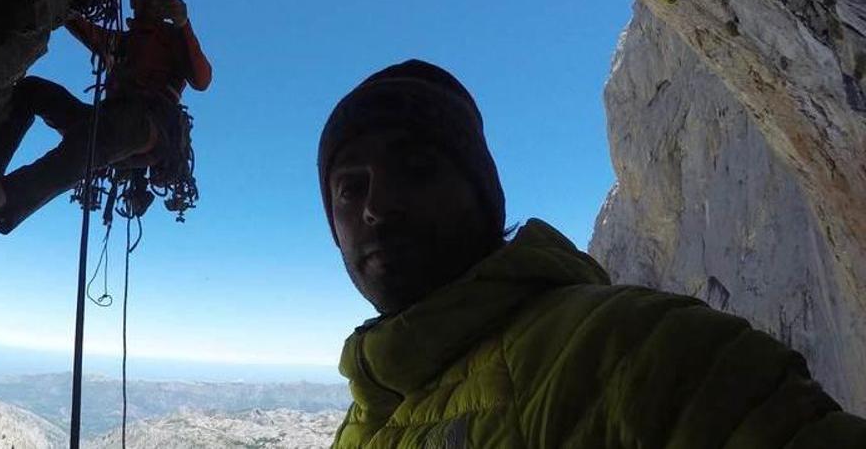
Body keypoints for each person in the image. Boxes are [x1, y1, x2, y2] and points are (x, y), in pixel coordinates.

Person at [318, 59, 866, 448]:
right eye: (350, 187)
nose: (377, 206)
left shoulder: (641, 348)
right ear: (334, 229)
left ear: (481, 197)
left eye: (416, 168)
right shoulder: (369, 411)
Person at [0, 0, 211, 234]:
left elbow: (201, 80)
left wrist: (183, 25)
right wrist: (63, 5)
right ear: (133, 0)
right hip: (108, 120)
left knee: (100, 135)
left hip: (148, 128)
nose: (151, 3)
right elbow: (85, 29)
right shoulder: (121, 42)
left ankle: (7, 198)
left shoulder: (176, 41)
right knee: (32, 90)